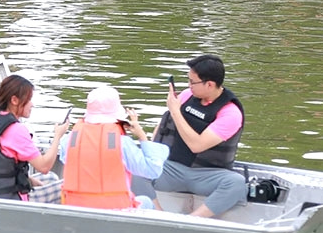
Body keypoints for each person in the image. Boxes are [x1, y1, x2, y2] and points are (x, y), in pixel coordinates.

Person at [151, 54, 246, 219]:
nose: (189, 86)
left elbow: (197, 145)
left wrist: (175, 110)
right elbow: (162, 127)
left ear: (209, 84)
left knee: (236, 183)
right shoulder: (188, 95)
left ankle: (194, 219)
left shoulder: (230, 113)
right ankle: (157, 214)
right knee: (129, 166)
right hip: (171, 168)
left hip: (206, 175)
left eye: (192, 82)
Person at [60, 84, 168, 210]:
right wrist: (141, 135)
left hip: (75, 208)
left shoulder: (69, 140)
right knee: (146, 202)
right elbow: (152, 170)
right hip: (116, 211)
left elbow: (65, 159)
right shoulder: (123, 143)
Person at [0, 75, 70, 200]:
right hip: (10, 202)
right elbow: (44, 166)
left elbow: (0, 167)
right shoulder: (15, 130)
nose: (32, 104)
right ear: (14, 100)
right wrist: (58, 136)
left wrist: (30, 181)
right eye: (29, 99)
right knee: (65, 187)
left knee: (51, 178)